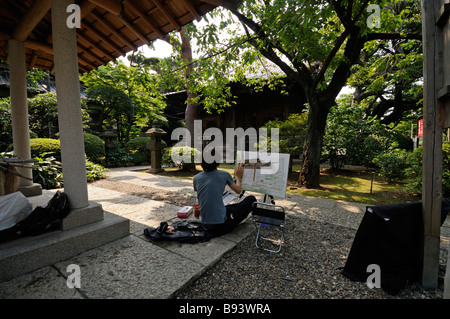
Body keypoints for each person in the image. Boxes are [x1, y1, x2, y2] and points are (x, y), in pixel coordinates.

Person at [193, 152, 256, 237]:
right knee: (251, 199)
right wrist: (238, 176)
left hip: (205, 224)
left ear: (201, 163)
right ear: (218, 162)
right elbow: (238, 190)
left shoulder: (196, 178)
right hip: (221, 226)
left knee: (231, 206)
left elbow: (204, 194)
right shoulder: (224, 175)